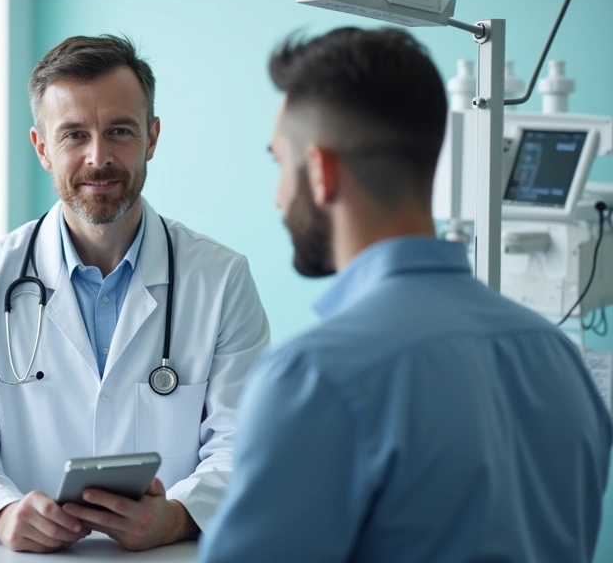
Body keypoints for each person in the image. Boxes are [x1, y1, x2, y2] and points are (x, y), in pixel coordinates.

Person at [199, 27, 613, 562]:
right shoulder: (560, 360)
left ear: (321, 173)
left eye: (281, 163)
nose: (279, 197)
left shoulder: (315, 378)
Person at [0, 34, 270, 553]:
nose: (97, 158)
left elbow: (248, 441)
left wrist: (176, 516)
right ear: (41, 148)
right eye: (74, 135)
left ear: (152, 137)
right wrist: (1, 512)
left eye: (119, 131)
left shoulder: (221, 278)